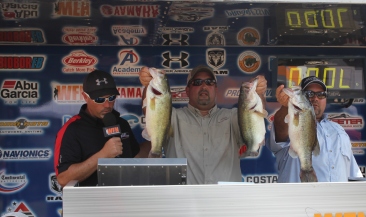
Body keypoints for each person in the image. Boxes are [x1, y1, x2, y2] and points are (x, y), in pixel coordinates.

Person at [139, 65, 267, 184]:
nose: (204, 86)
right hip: (183, 201)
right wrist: (148, 85)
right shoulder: (172, 116)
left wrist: (258, 92)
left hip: (225, 201)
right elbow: (152, 110)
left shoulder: (234, 117)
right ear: (187, 90)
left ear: (216, 89)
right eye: (197, 82)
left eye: (210, 82)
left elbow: (253, 113)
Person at [54, 70, 150, 187]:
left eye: (111, 98)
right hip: (93, 202)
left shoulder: (121, 123)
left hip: (124, 199)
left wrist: (156, 141)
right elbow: (63, 179)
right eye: (99, 99)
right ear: (85, 97)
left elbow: (135, 155)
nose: (107, 105)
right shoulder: (72, 129)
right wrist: (103, 155)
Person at [267, 76, 363, 182]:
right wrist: (285, 107)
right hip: (299, 198)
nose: (315, 98)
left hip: (337, 198)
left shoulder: (339, 130)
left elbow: (354, 174)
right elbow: (280, 128)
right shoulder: (290, 122)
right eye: (309, 94)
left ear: (326, 99)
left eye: (321, 94)